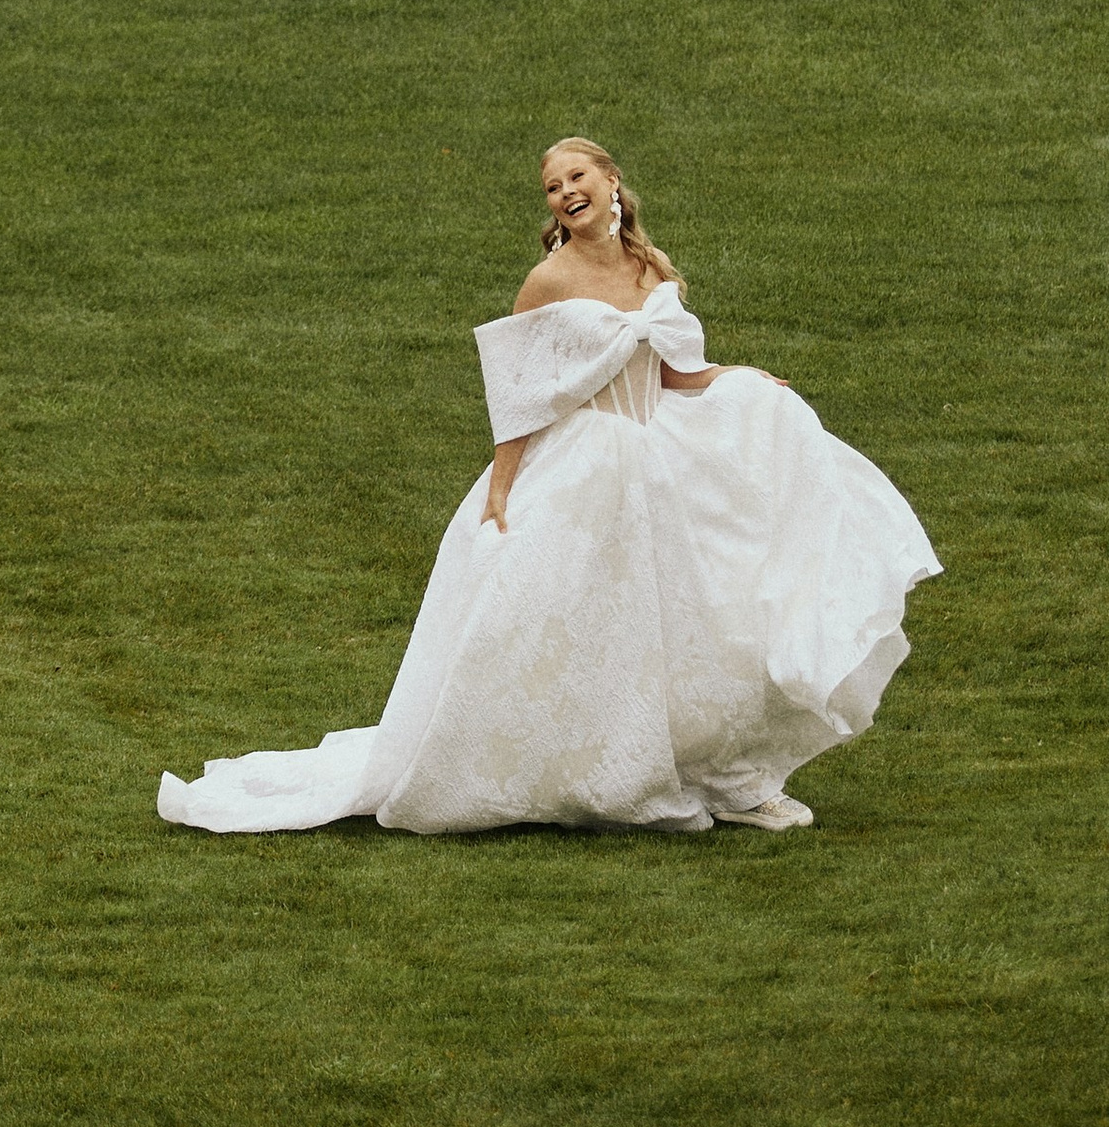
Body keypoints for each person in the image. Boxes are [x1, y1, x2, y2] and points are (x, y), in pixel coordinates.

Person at [158, 138, 939, 837]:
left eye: (577, 177)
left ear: (611, 181)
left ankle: (723, 772)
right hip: (586, 464)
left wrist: (743, 378)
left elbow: (675, 373)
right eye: (552, 187)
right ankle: (574, 766)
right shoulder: (549, 278)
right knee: (580, 620)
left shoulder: (648, 267)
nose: (566, 192)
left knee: (695, 614)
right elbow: (517, 390)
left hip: (656, 457)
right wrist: (503, 488)